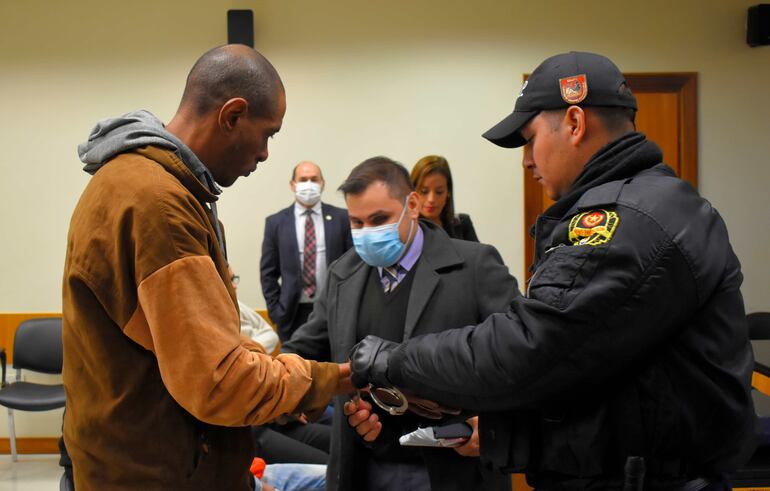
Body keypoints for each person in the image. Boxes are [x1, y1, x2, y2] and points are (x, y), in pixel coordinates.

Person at [348, 52, 756, 490]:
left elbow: (527, 348)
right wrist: (503, 431)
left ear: (575, 123)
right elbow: (593, 377)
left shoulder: (627, 223)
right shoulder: (652, 205)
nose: (526, 160)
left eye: (530, 139)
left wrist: (395, 360)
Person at [63, 45, 352, 491]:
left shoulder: (133, 181)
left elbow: (185, 347)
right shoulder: (158, 204)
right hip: (159, 474)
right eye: (268, 133)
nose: (266, 153)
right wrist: (326, 379)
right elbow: (219, 382)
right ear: (232, 115)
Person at [282, 156, 517, 491]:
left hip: (455, 470)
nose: (368, 234)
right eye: (357, 223)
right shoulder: (342, 275)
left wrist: (498, 425)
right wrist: (275, 380)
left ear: (413, 205)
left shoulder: (475, 266)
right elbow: (306, 346)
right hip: (366, 466)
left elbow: (519, 357)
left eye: (380, 219)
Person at [261, 160, 353, 342]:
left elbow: (353, 266)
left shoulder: (342, 218)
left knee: (332, 368)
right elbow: (268, 273)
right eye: (303, 179)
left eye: (314, 179)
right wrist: (276, 312)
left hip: (333, 311)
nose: (309, 185)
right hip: (291, 314)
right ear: (292, 184)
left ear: (322, 183)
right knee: (293, 368)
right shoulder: (276, 222)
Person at [410, 155, 478, 241]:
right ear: (412, 192)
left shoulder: (461, 224)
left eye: (439, 192)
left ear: (448, 192)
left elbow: (480, 253)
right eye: (424, 191)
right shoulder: (406, 230)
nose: (431, 199)